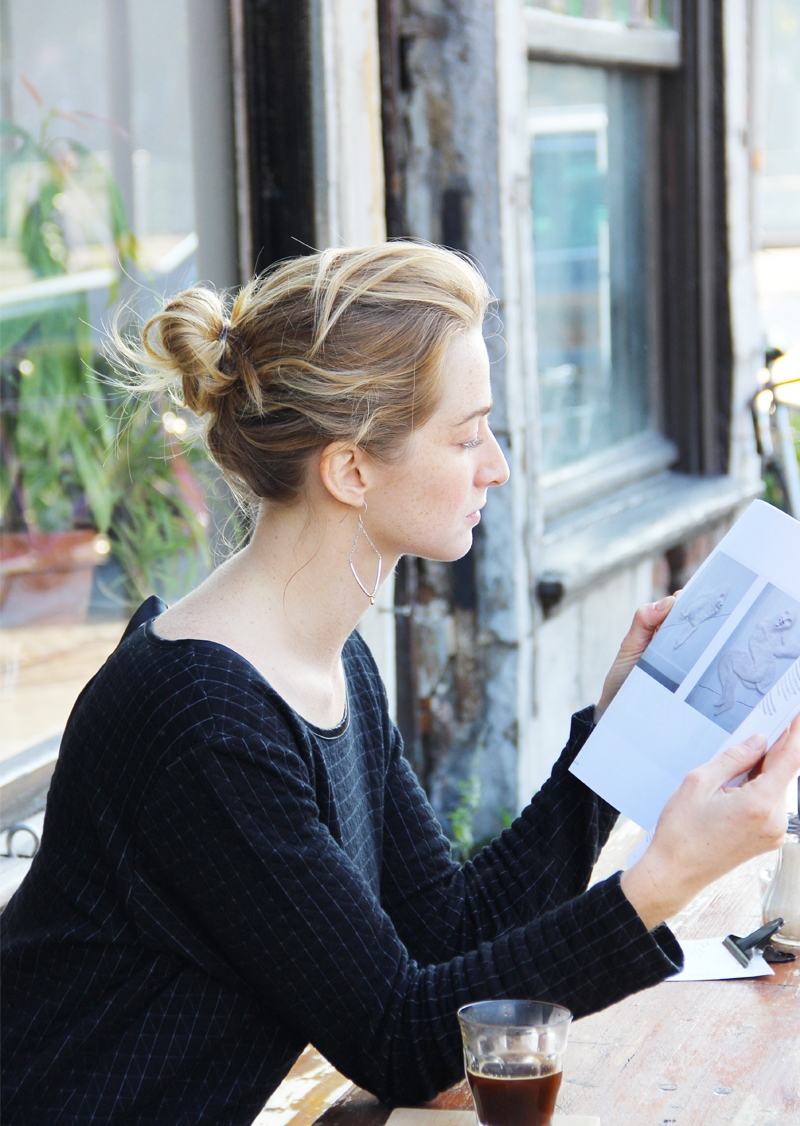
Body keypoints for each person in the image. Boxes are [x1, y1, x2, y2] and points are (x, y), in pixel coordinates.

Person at [2, 243, 798, 1126]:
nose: (494, 466)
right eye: (466, 436)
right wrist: (668, 875)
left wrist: (613, 738)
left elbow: (450, 934)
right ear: (350, 470)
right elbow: (402, 1041)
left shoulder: (328, 662)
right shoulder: (203, 721)